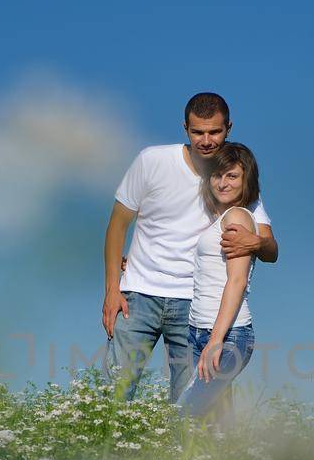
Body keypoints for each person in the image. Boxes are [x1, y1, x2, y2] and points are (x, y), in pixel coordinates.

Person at [101, 92, 277, 401]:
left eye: (215, 132)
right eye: (198, 132)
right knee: (113, 393)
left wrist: (256, 241)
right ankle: (104, 450)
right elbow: (117, 224)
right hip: (139, 295)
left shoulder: (233, 180)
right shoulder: (152, 160)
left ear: (229, 128)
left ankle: (186, 451)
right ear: (185, 129)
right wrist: (112, 289)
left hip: (193, 307)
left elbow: (271, 248)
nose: (206, 140)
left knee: (190, 403)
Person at [175, 141, 261, 419]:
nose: (223, 183)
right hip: (199, 333)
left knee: (184, 416)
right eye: (216, 175)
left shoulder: (237, 216)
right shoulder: (219, 219)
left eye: (232, 176)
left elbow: (236, 282)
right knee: (217, 426)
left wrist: (215, 341)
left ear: (246, 179)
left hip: (227, 336)